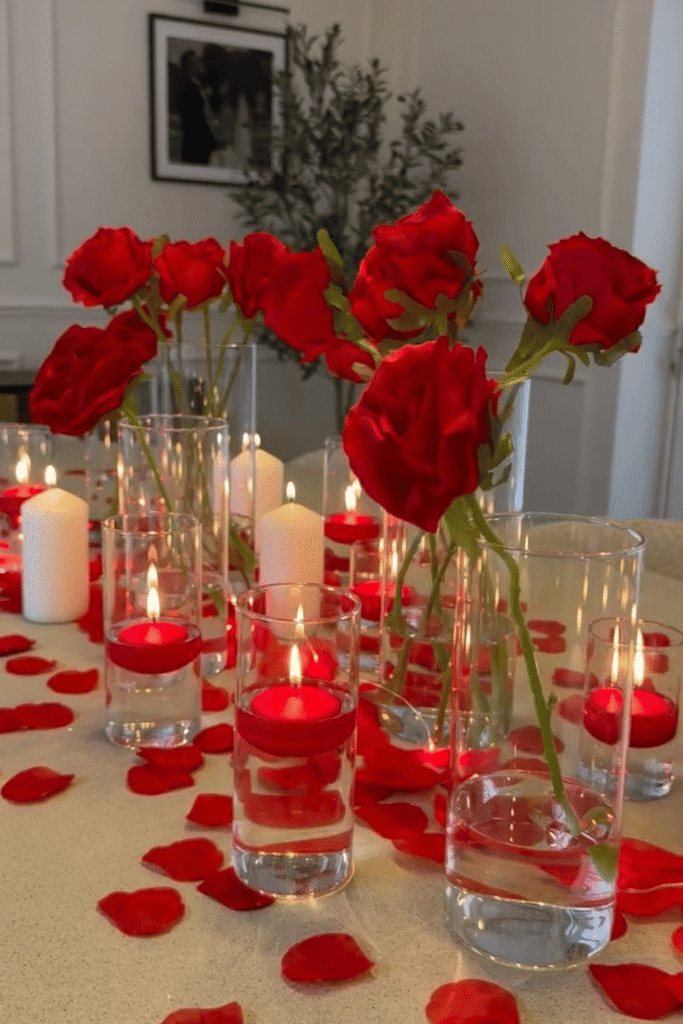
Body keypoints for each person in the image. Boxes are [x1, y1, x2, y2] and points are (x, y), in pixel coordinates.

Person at [175, 50, 216, 166]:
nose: (201, 63)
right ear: (190, 66)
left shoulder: (202, 84)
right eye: (197, 61)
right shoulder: (186, 88)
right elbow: (195, 119)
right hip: (195, 144)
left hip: (205, 144)